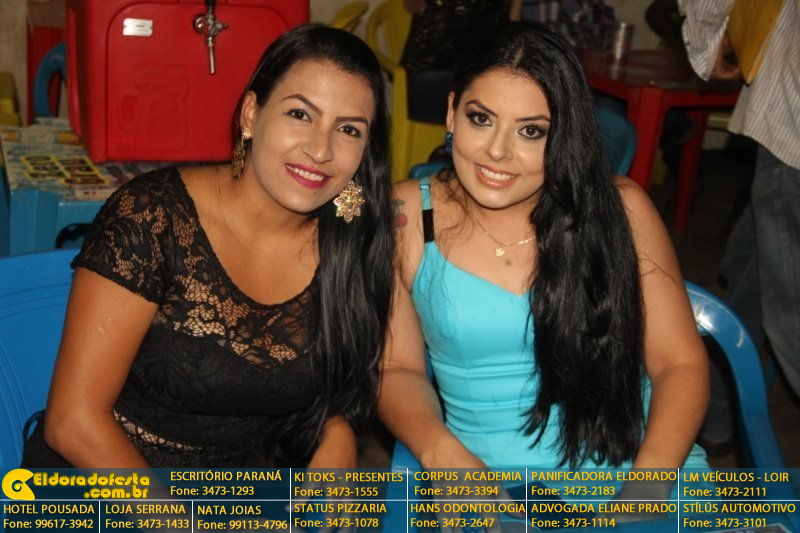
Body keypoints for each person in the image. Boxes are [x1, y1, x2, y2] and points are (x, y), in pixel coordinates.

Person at [24, 24, 393, 468]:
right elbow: (73, 422)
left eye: (348, 129)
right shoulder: (152, 216)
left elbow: (336, 381)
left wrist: (335, 429)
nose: (320, 150)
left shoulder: (350, 233)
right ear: (251, 114)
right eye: (300, 114)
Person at [379, 22, 710, 490]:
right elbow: (396, 367)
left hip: (646, 465)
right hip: (492, 488)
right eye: (481, 119)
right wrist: (439, 449)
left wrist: (646, 490)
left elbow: (680, 363)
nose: (498, 151)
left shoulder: (620, 209)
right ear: (451, 113)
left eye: (531, 131)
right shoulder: (406, 215)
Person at [680, 0, 800, 448]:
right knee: (749, 275)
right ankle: (716, 418)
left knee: (789, 313)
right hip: (784, 126)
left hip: (793, 126)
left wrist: (707, 38)